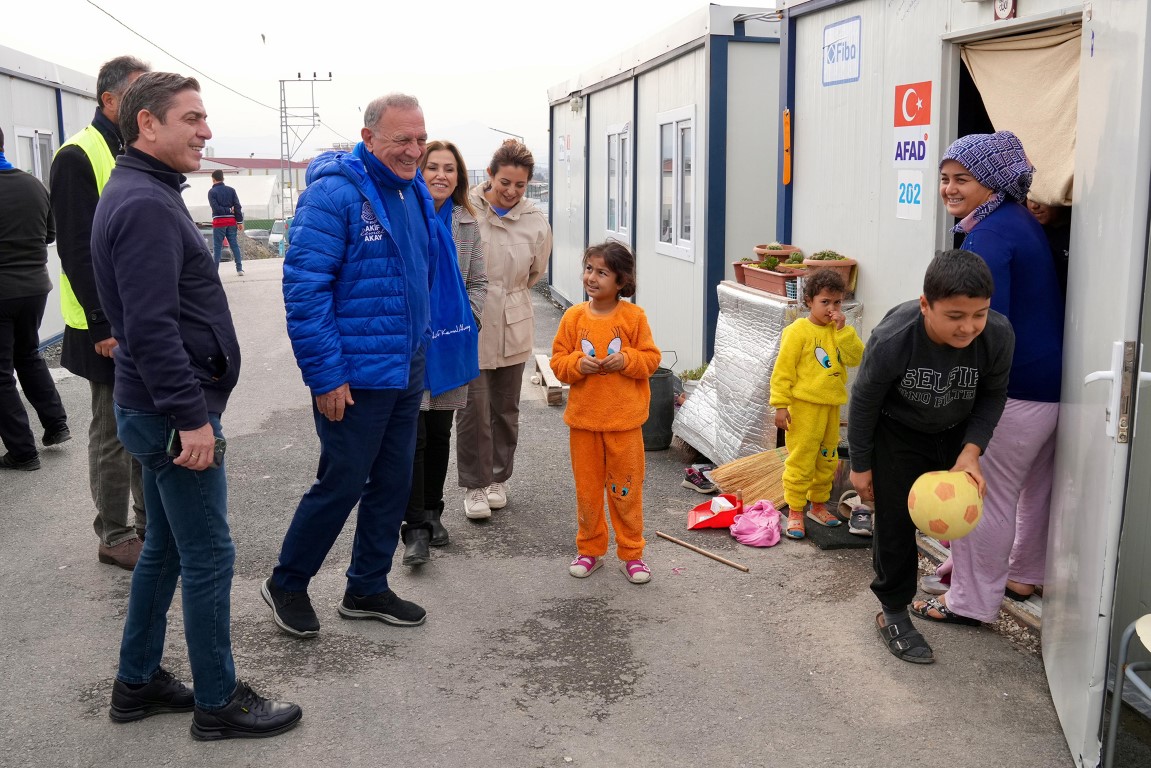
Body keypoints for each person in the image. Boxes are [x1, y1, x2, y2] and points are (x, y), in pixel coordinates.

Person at [92, 71, 301, 738]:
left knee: (165, 552)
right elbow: (149, 329)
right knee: (208, 554)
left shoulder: (140, 190)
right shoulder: (148, 204)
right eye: (192, 118)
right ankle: (217, 701)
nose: (206, 131)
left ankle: (137, 682)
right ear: (147, 124)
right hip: (168, 415)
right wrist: (190, 418)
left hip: (150, 408)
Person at [263, 93, 446, 637]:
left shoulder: (411, 190)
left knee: (392, 482)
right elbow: (304, 289)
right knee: (341, 482)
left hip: (404, 364)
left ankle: (367, 585)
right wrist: (326, 375)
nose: (414, 151)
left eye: (420, 138)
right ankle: (287, 583)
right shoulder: (333, 196)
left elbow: (421, 275)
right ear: (368, 139)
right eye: (401, 141)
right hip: (354, 373)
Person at [911, 132, 1064, 625]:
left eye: (963, 180)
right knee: (1033, 489)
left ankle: (971, 604)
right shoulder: (1016, 221)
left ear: (992, 182)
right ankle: (1022, 573)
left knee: (984, 497)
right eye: (945, 179)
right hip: (1049, 386)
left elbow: (978, 328)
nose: (950, 189)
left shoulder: (991, 236)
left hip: (1017, 389)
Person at [848, 249, 1014, 664]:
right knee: (896, 521)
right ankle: (893, 611)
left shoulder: (997, 335)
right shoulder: (894, 338)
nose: (969, 327)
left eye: (979, 314)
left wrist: (971, 451)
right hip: (897, 433)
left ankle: (963, 595)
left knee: (966, 513)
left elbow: (993, 395)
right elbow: (864, 401)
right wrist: (861, 465)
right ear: (926, 305)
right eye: (955, 315)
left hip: (957, 434)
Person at [50, 54, 149, 569]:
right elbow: (75, 248)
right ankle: (114, 535)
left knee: (145, 425)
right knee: (113, 431)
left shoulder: (135, 147)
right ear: (109, 100)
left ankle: (146, 524)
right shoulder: (77, 154)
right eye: (136, 92)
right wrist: (101, 324)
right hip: (103, 324)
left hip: (140, 318)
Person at [550, 241, 661, 584]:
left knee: (626, 490)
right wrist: (576, 364)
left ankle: (632, 553)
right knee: (587, 491)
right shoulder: (573, 317)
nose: (592, 277)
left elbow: (651, 359)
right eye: (589, 269)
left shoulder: (634, 317)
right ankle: (590, 549)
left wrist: (627, 359)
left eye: (602, 272)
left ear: (621, 280)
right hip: (583, 422)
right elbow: (557, 361)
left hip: (624, 423)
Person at [400, 140, 487, 565]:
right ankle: (413, 527)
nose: (440, 175)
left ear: (459, 177)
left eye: (449, 169)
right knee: (412, 436)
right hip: (411, 346)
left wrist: (468, 322)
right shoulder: (405, 214)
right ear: (419, 171)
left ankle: (434, 514)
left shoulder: (467, 224)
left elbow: (479, 282)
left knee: (439, 433)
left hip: (452, 343)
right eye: (432, 166)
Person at [456, 140, 552, 520]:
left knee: (506, 409)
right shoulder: (464, 211)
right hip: (472, 320)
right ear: (490, 176)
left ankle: (498, 479)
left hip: (513, 320)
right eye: (505, 182)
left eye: (520, 185)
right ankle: (475, 487)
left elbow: (535, 274)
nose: (511, 191)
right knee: (471, 409)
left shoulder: (536, 222)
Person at [769, 268, 864, 540]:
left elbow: (856, 357)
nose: (832, 309)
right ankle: (796, 509)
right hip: (803, 409)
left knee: (827, 458)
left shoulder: (839, 331)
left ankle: (818, 505)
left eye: (837, 303)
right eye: (825, 302)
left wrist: (844, 330)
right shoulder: (797, 331)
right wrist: (780, 405)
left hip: (830, 408)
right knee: (801, 459)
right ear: (809, 301)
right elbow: (783, 371)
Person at [0, 127, 70, 472]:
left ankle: (23, 452)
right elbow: (50, 235)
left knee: (0, 374)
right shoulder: (33, 185)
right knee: (27, 355)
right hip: (34, 288)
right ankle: (56, 424)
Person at [1026, 197, 1071, 298]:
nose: (1034, 206)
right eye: (1030, 199)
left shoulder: (1079, 230)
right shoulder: (1027, 230)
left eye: (1041, 199)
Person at [208, 169, 245, 274]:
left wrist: (225, 210)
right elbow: (237, 206)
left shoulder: (211, 192)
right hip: (231, 221)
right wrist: (239, 221)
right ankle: (239, 269)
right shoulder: (231, 190)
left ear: (213, 179)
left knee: (217, 247)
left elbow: (215, 208)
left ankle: (215, 272)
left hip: (219, 222)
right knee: (234, 245)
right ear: (223, 178)